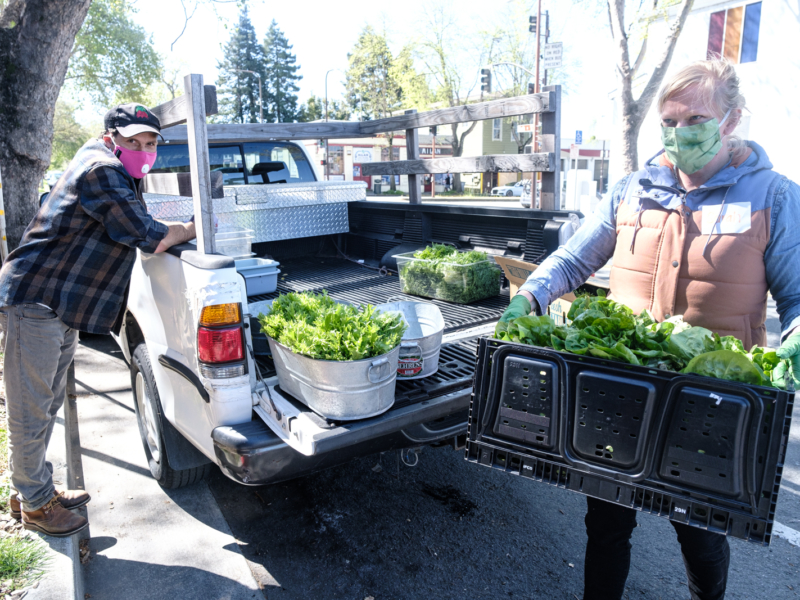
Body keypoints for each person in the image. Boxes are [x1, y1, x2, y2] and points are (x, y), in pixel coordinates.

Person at [498, 58, 800, 600]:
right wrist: (528, 296)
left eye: (695, 119)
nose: (680, 132)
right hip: (623, 390)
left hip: (713, 401)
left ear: (731, 120)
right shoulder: (632, 190)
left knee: (701, 533)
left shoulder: (772, 197)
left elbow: (798, 296)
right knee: (607, 523)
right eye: (669, 120)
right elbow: (572, 259)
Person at [0, 103, 196, 537]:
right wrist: (193, 226)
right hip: (38, 299)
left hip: (60, 302)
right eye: (133, 141)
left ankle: (33, 491)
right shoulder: (101, 171)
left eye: (150, 144)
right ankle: (35, 504)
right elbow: (151, 236)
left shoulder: (112, 168)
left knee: (48, 401)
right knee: (30, 410)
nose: (143, 151)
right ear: (112, 138)